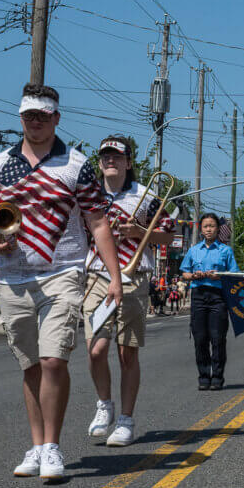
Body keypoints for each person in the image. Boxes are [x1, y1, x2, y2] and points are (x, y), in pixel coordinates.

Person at [0, 83, 121, 482]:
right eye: (28, 116)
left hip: (63, 272)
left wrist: (114, 276)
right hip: (13, 277)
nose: (35, 122)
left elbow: (97, 222)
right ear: (21, 117)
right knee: (30, 367)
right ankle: (37, 445)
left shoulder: (76, 165)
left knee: (54, 359)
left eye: (43, 115)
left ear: (56, 118)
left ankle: (53, 447)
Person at [83, 136, 174, 447]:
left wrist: (139, 232)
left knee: (126, 353)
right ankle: (103, 404)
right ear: (99, 162)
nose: (111, 161)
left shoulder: (145, 197)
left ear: (128, 162)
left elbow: (169, 238)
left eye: (117, 156)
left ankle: (126, 419)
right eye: (105, 156)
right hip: (96, 275)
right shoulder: (88, 194)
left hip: (133, 277)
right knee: (95, 350)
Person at [179, 213, 239, 389]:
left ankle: (218, 378)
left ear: (218, 229)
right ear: (201, 229)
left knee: (218, 338)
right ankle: (204, 377)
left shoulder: (225, 251)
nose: (209, 229)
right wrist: (193, 275)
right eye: (205, 226)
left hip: (218, 297)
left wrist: (218, 275)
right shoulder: (194, 250)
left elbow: (234, 274)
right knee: (200, 338)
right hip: (198, 295)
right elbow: (184, 272)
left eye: (212, 226)